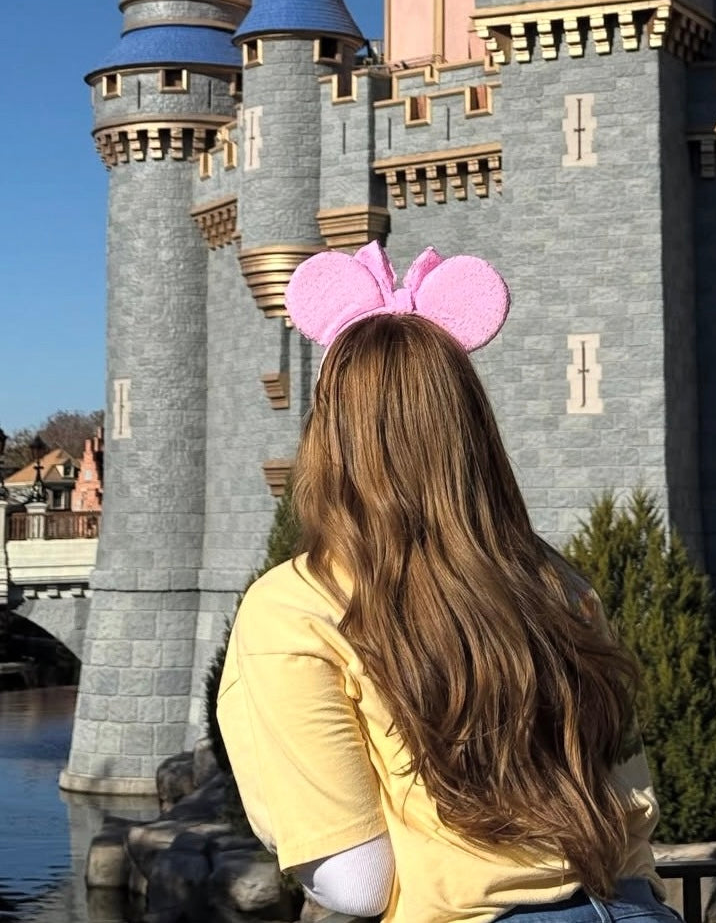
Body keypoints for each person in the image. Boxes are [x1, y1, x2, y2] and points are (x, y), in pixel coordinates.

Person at [217, 242, 680, 923]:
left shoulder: (297, 606)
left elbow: (355, 882)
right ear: (473, 431)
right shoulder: (556, 581)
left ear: (329, 437)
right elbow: (628, 795)